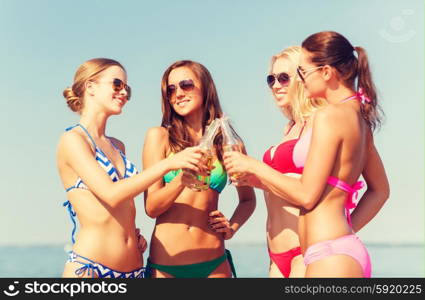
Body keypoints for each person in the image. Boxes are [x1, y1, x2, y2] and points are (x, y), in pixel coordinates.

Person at [224, 31, 390, 277]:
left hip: (328, 254)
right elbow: (379, 190)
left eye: (302, 73)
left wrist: (253, 165)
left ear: (325, 72)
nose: (301, 80)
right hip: (336, 248)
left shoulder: (327, 116)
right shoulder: (358, 119)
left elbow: (307, 195)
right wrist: (345, 231)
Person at [57, 58, 205, 278]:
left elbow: (122, 206)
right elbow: (111, 194)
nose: (124, 93)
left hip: (134, 270)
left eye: (127, 88)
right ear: (90, 87)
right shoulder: (73, 140)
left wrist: (129, 234)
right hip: (91, 269)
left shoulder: (117, 145)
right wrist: (170, 164)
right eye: (117, 85)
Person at [143, 60, 256, 278]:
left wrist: (231, 227)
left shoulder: (229, 144)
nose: (178, 94)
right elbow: (151, 207)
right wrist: (181, 180)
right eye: (171, 89)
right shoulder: (160, 137)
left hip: (214, 263)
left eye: (186, 85)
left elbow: (248, 199)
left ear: (205, 87)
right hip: (168, 265)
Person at [263, 46, 326, 277]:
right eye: (271, 79)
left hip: (303, 250)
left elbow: (312, 189)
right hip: (275, 254)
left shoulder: (320, 120)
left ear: (302, 78)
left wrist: (256, 168)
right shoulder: (290, 128)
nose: (276, 86)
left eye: (283, 78)